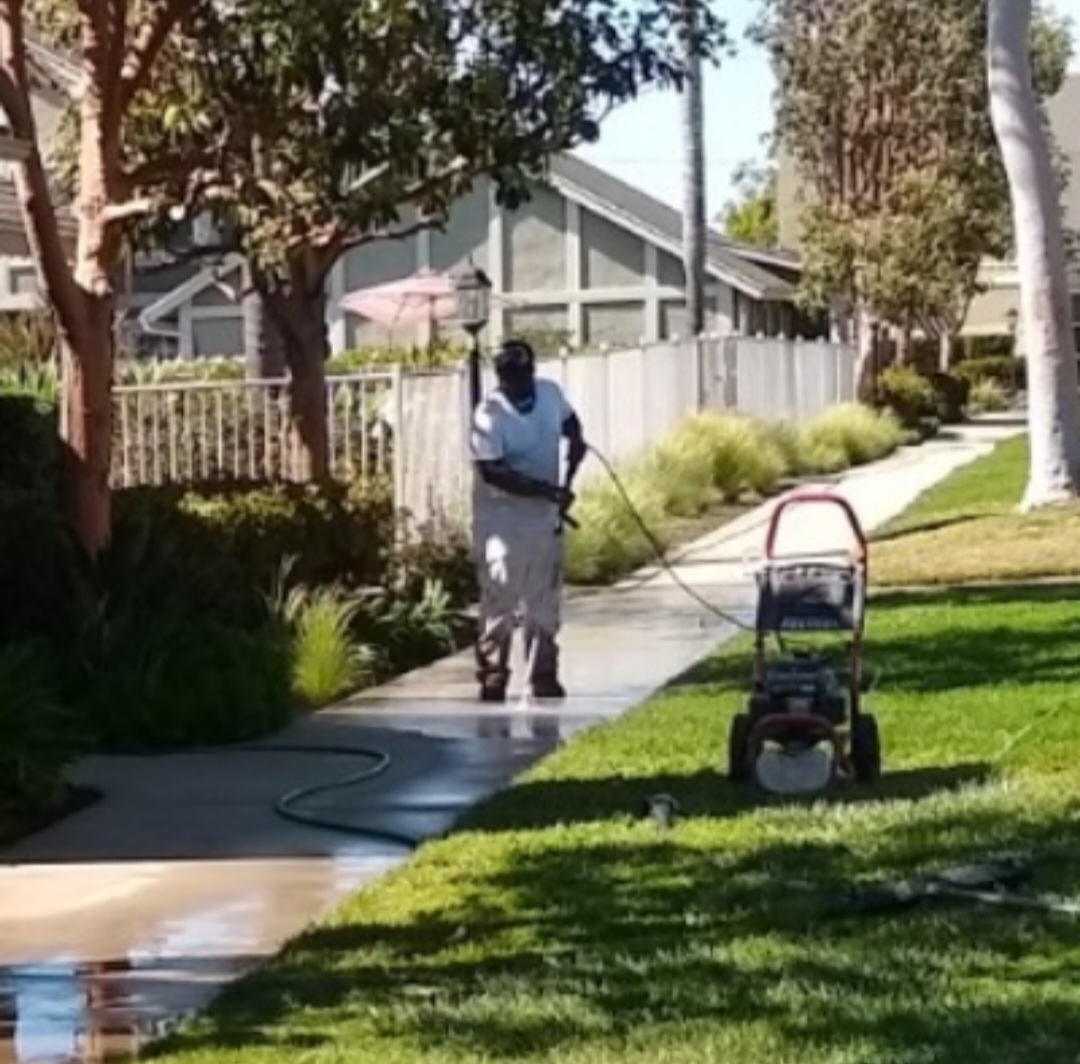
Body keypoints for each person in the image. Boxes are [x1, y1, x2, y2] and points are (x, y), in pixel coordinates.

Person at [470, 339, 587, 703]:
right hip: (501, 522)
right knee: (499, 597)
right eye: (508, 376)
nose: (516, 382)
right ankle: (494, 673)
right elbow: (492, 471)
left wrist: (576, 443)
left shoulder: (550, 395)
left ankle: (543, 674)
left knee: (543, 603)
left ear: (532, 371)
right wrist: (546, 491)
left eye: (521, 374)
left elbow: (570, 422)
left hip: (543, 521)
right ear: (500, 376)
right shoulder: (489, 414)